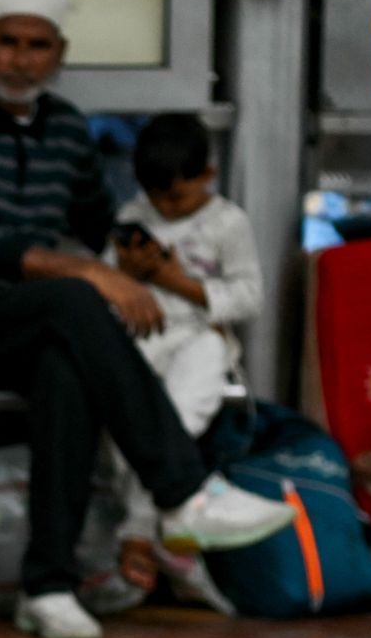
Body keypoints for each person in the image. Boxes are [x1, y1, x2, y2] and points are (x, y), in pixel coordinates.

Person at [0, 0, 294, 638]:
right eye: (8, 42)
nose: (21, 60)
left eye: (37, 45)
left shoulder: (69, 128)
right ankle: (183, 491)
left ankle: (47, 586)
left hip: (44, 321)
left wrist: (151, 257)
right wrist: (92, 271)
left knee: (68, 360)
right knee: (77, 302)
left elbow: (99, 224)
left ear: (60, 53)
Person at [107, 113, 264, 591]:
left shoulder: (227, 222)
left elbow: (248, 298)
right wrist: (127, 275)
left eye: (178, 197)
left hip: (201, 335)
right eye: (157, 198)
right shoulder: (133, 218)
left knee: (172, 419)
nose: (167, 208)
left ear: (206, 177)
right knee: (123, 418)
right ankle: (168, 522)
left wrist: (175, 282)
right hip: (139, 337)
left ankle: (136, 531)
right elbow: (103, 283)